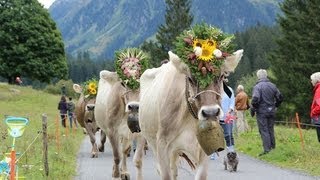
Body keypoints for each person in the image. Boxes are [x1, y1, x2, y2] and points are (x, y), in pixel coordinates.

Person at [251, 69, 283, 156]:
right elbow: (280, 97)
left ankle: (267, 150)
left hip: (262, 111)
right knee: (270, 129)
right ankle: (273, 148)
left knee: (264, 130)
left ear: (258, 77)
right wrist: (276, 105)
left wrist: (254, 108)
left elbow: (255, 99)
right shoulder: (273, 85)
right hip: (271, 110)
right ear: (266, 76)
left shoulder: (257, 87)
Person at [211, 84, 236, 160]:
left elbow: (232, 101)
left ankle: (230, 150)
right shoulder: (215, 90)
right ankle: (214, 152)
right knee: (215, 135)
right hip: (216, 116)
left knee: (228, 134)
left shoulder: (228, 90)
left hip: (227, 115)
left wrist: (230, 110)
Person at [310, 72, 320, 142]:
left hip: (318, 117)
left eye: (312, 79)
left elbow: (319, 106)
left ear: (316, 80)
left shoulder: (319, 90)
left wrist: (313, 112)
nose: (311, 81)